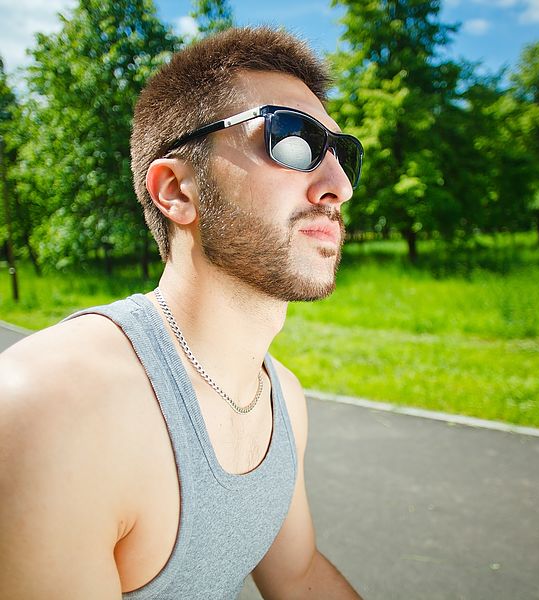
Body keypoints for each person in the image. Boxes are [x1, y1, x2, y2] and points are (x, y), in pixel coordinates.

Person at [0, 27, 364, 599]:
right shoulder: (54, 408)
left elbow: (299, 577)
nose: (338, 186)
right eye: (292, 140)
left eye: (345, 156)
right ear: (175, 190)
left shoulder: (282, 399)